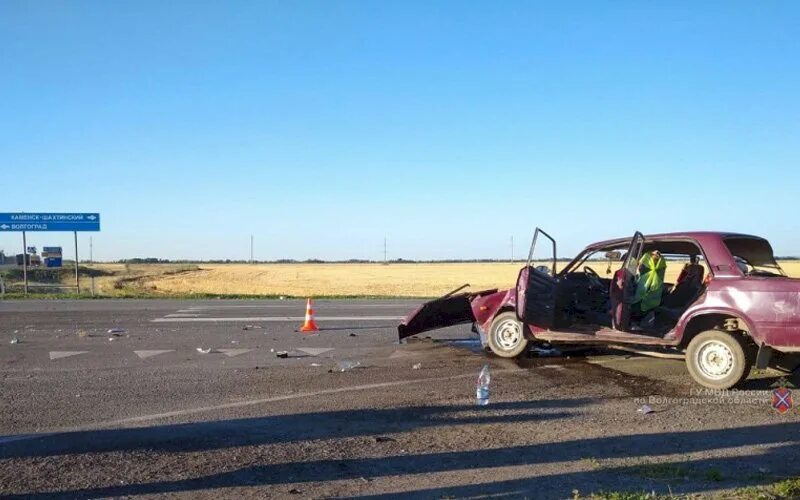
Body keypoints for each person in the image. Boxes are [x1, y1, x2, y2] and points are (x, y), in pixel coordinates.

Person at [634, 249, 667, 315]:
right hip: (654, 306)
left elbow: (639, 268)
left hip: (640, 308)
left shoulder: (642, 283)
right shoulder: (658, 280)